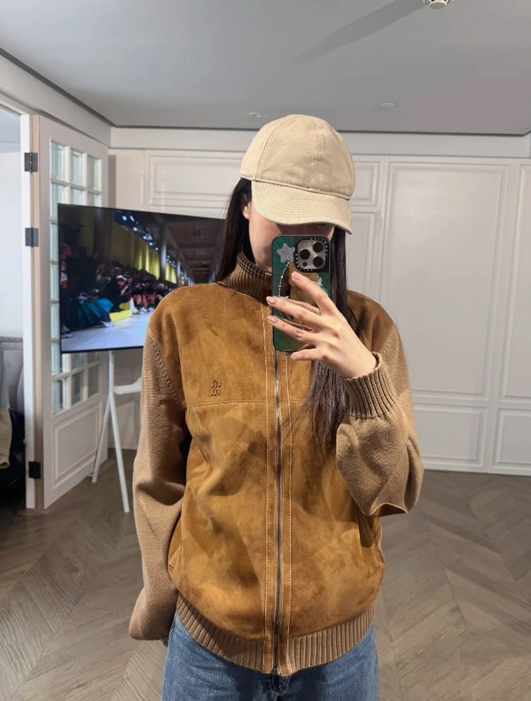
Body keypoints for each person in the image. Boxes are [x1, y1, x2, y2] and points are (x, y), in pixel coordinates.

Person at [130, 114, 423, 701]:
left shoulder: (369, 327)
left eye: (318, 224)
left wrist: (362, 376)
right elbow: (158, 480)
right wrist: (164, 597)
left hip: (337, 650)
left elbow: (394, 492)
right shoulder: (183, 319)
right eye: (284, 216)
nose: (299, 234)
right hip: (210, 644)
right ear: (245, 203)